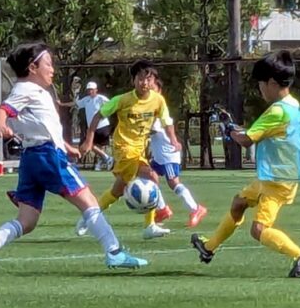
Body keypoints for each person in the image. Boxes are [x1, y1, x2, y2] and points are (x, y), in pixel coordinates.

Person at [0, 42, 148, 275]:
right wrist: (1, 125)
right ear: (33, 67)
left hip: (32, 158)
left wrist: (66, 145)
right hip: (47, 156)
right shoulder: (26, 89)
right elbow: (3, 110)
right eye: (49, 64)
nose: (52, 69)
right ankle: (114, 251)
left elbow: (42, 125)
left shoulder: (35, 91)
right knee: (89, 201)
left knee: (27, 220)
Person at [191, 50, 300, 278]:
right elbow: (256, 133)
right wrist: (233, 127)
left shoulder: (277, 111)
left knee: (258, 229)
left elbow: (246, 139)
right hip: (274, 177)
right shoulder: (293, 106)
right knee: (238, 204)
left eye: (261, 84)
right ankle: (208, 248)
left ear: (272, 83)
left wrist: (228, 129)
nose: (260, 89)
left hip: (277, 181)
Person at [78, 59, 179, 240]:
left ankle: (89, 216)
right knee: (151, 177)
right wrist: (88, 141)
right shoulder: (123, 100)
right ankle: (149, 225)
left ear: (153, 81)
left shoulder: (158, 100)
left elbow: (167, 121)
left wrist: (173, 139)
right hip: (123, 148)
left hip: (139, 149)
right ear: (133, 80)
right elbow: (98, 116)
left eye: (148, 79)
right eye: (140, 79)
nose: (144, 83)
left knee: (117, 191)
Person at [148, 76, 208, 229]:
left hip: (167, 155)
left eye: (153, 88)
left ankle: (196, 209)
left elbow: (152, 129)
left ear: (159, 91)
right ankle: (162, 209)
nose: (149, 90)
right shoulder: (149, 108)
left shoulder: (158, 109)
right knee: (148, 177)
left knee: (173, 182)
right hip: (159, 155)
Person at [75, 81, 113, 170]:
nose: (90, 91)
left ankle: (104, 160)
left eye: (92, 89)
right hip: (92, 128)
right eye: (88, 90)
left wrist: (105, 113)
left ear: (96, 90)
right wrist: (61, 104)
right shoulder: (86, 99)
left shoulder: (101, 98)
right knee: (94, 146)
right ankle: (105, 159)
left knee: (91, 144)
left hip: (103, 126)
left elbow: (111, 105)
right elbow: (75, 104)